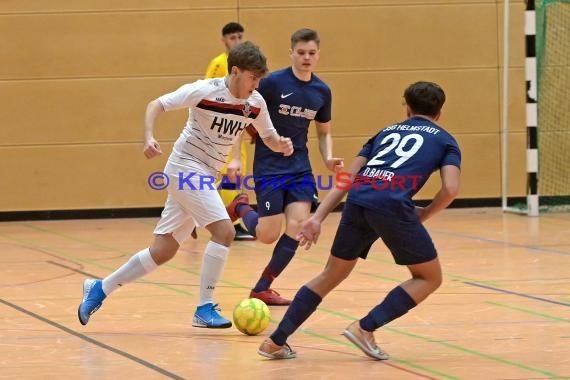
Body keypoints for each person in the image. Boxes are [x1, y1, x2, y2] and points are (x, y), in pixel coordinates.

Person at [77, 41, 293, 329]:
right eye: (253, 78)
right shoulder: (205, 90)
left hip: (207, 175)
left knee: (162, 251)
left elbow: (268, 136)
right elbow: (157, 104)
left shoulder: (255, 103)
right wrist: (149, 137)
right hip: (185, 168)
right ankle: (204, 307)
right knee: (225, 231)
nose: (256, 85)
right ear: (236, 72)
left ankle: (99, 288)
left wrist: (281, 145)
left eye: (259, 80)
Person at [256, 81, 461, 359]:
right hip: (392, 204)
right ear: (440, 113)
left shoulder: (385, 132)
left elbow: (347, 179)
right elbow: (450, 189)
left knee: (331, 274)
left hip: (358, 200)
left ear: (407, 108)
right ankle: (365, 328)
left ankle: (275, 342)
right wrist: (425, 212)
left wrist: (317, 217)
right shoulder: (446, 139)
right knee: (429, 277)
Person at [226, 28, 344, 306]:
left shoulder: (321, 91)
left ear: (318, 55)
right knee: (267, 235)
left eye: (311, 53)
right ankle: (242, 207)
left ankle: (262, 287)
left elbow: (324, 131)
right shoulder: (271, 83)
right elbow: (241, 120)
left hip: (299, 167)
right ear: (291, 52)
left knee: (299, 225)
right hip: (269, 166)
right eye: (301, 52)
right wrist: (235, 157)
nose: (306, 58)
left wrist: (327, 157)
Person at [200, 21, 254, 241]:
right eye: (232, 37)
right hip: (219, 130)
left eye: (240, 37)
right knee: (215, 175)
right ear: (223, 40)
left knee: (233, 176)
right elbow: (207, 93)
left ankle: (231, 221)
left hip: (236, 129)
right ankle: (201, 216)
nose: (237, 41)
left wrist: (252, 129)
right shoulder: (218, 63)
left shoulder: (248, 67)